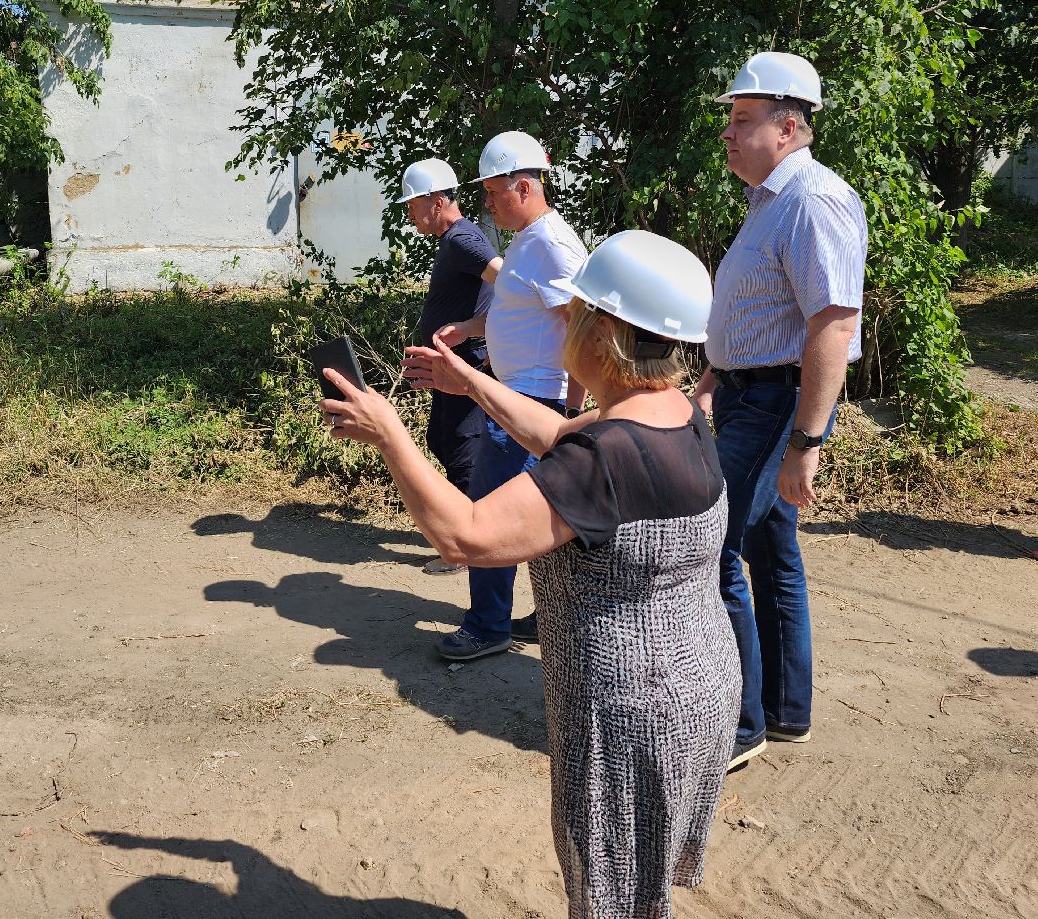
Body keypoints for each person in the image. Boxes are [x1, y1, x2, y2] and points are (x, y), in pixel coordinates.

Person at [322, 230, 740, 919]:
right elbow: (559, 436)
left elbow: (464, 536)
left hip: (625, 715)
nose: (563, 325)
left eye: (573, 313)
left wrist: (390, 434)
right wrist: (471, 382)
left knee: (607, 893)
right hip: (699, 687)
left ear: (601, 332)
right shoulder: (675, 419)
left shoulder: (604, 458)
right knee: (636, 887)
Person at [692, 52, 868, 771]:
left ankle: (740, 725)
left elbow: (831, 324)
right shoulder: (769, 199)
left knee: (713, 550)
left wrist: (806, 441)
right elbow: (756, 309)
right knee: (770, 553)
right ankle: (783, 712)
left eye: (741, 120)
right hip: (744, 393)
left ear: (788, 126)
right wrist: (710, 377)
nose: (727, 134)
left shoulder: (812, 201)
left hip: (773, 402)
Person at [432, 130, 587, 660]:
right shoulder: (526, 242)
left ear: (524, 187)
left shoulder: (551, 245)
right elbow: (519, 311)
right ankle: (544, 616)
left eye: (495, 192)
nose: (487, 203)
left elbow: (581, 327)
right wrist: (471, 327)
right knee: (538, 515)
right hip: (518, 398)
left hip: (537, 402)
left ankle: (487, 626)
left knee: (491, 512)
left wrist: (574, 407)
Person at [393, 157, 501, 574]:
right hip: (452, 364)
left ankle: (467, 546)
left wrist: (485, 331)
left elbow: (506, 278)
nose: (409, 213)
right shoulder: (453, 239)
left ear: (437, 201)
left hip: (467, 366)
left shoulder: (462, 239)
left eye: (413, 204)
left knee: (461, 448)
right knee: (441, 439)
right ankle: (464, 533)